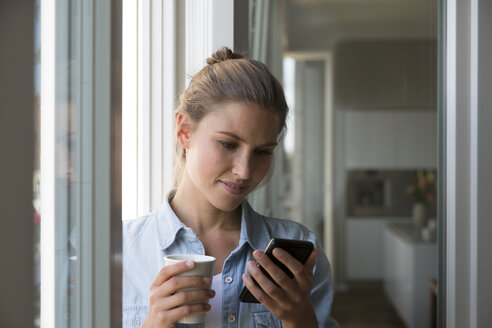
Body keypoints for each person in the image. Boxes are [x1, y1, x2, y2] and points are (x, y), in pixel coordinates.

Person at [123, 47, 339, 328]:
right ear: (184, 131)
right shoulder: (120, 252)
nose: (244, 171)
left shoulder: (299, 254)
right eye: (228, 144)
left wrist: (300, 320)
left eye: (262, 152)